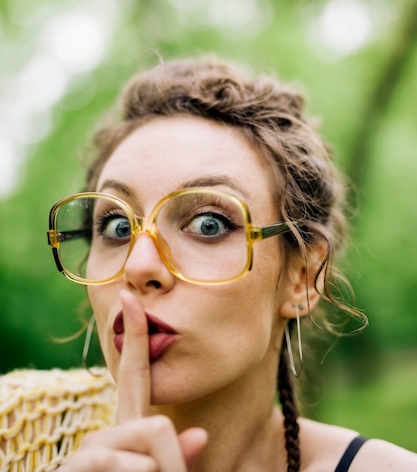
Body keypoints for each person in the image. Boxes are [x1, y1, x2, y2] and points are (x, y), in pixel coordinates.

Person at [46, 55, 417, 472]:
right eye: (116, 227)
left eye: (208, 224)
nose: (138, 266)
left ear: (303, 278)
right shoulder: (17, 433)